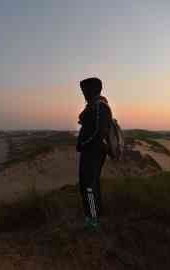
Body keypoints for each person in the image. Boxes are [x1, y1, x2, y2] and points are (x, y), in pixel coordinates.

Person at [77, 77, 112, 231]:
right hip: (90, 152)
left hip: (93, 152)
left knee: (89, 186)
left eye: (85, 89)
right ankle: (93, 216)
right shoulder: (94, 106)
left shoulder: (100, 107)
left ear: (94, 89)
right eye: (82, 90)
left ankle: (93, 220)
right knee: (90, 185)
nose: (83, 93)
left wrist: (83, 144)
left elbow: (98, 132)